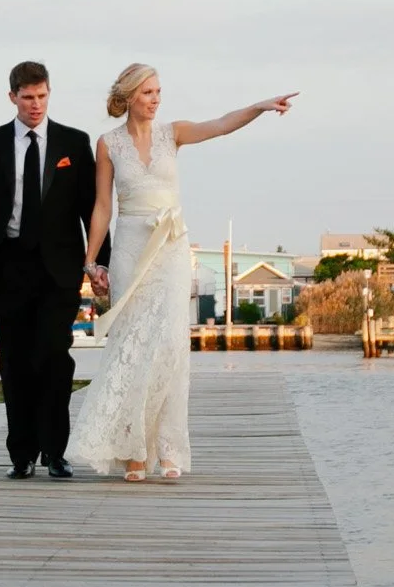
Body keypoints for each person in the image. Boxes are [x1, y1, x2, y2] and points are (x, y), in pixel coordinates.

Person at [76, 65, 295, 481]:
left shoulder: (172, 133)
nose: (156, 99)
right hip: (129, 249)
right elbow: (102, 207)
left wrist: (260, 107)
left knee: (169, 347)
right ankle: (133, 452)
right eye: (147, 92)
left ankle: (168, 449)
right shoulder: (108, 144)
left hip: (171, 250)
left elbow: (220, 125)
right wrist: (91, 262)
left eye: (159, 91)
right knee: (132, 345)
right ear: (128, 96)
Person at [0, 62, 103, 479]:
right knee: (15, 362)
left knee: (54, 358)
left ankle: (55, 451)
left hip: (59, 269)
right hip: (7, 266)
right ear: (12, 96)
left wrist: (100, 259)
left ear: (50, 94)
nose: (36, 105)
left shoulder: (74, 142)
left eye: (43, 96)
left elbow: (92, 208)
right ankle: (21, 453)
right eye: (28, 97)